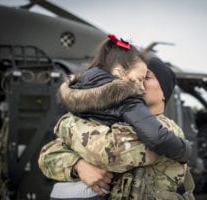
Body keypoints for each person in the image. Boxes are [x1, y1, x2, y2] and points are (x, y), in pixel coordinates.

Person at [38, 34, 193, 199]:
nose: (135, 82)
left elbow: (109, 153)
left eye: (146, 77)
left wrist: (67, 123)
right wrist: (78, 165)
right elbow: (47, 155)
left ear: (164, 93)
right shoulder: (117, 119)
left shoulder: (165, 129)